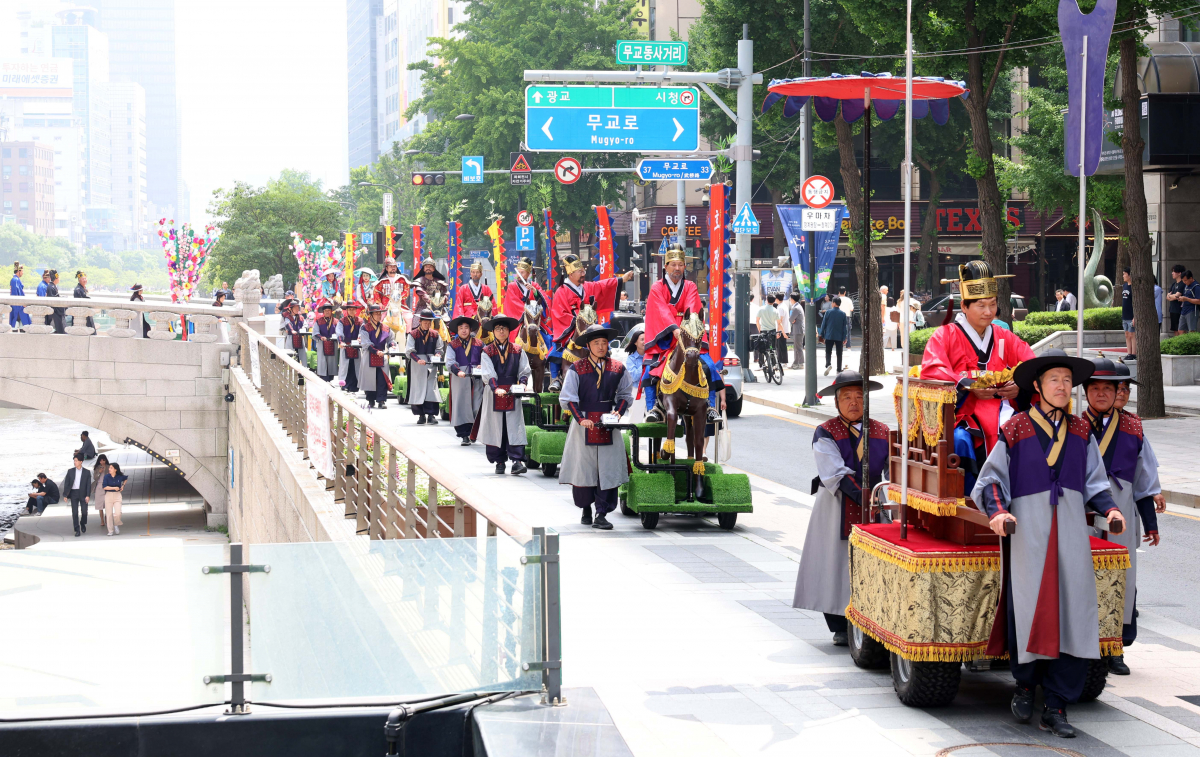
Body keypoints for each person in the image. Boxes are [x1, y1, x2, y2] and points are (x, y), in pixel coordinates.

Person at [972, 349, 1125, 738]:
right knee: (1029, 608)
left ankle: (1057, 704)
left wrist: (1109, 511)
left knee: (1074, 610)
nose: (1062, 386)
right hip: (1030, 531)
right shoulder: (1016, 429)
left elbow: (1095, 482)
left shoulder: (1080, 431)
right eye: (1054, 379)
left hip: (1071, 531)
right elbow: (990, 481)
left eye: (1066, 380)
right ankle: (1024, 686)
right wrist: (998, 512)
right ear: (1037, 387)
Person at [920, 261, 1036, 491]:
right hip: (963, 414)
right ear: (964, 306)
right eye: (981, 305)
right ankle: (970, 500)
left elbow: (1032, 363)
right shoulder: (945, 335)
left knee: (1030, 434)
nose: (988, 312)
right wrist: (966, 386)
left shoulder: (1004, 337)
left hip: (1004, 410)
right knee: (962, 441)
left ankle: (1021, 497)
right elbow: (932, 369)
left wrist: (1020, 386)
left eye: (992, 304)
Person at [793, 370, 888, 646]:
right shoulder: (825, 432)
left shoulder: (882, 431)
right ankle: (839, 624)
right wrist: (863, 497)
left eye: (859, 396)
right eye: (846, 397)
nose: (854, 402)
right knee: (833, 562)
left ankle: (871, 618)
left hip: (873, 505)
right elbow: (834, 472)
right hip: (835, 505)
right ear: (836, 402)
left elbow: (894, 471)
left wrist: (884, 498)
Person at [1082, 358, 1163, 676]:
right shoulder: (1073, 427)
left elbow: (1144, 482)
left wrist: (1151, 523)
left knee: (1122, 582)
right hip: (1083, 517)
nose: (1102, 393)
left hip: (1123, 517)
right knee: (1083, 579)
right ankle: (1084, 644)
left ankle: (1115, 648)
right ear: (1086, 392)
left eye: (1108, 388)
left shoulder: (1133, 427)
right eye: (1095, 387)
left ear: (1118, 391)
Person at [559, 324, 634, 530]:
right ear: (588, 346)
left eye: (604, 343)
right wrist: (580, 419)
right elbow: (568, 398)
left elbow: (625, 395)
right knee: (584, 468)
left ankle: (602, 513)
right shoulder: (577, 368)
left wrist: (617, 412)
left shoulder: (618, 368)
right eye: (596, 343)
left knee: (607, 469)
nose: (601, 347)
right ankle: (586, 508)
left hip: (608, 424)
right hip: (583, 424)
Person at [548, 254, 633, 390]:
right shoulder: (561, 292)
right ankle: (556, 379)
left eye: (583, 271)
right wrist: (578, 322)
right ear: (570, 273)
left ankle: (610, 375)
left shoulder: (587, 287)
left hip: (590, 326)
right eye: (580, 271)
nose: (583, 273)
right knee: (556, 349)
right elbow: (559, 313)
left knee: (604, 348)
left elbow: (603, 286)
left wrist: (622, 279)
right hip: (571, 329)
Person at [642, 244, 702, 421]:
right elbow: (661, 310)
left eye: (680, 264)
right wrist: (674, 329)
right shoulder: (657, 287)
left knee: (709, 367)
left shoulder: (690, 286)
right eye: (673, 264)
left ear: (685, 266)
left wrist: (686, 329)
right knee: (649, 372)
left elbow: (691, 308)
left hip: (686, 337)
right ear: (665, 266)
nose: (677, 268)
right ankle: (653, 408)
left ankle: (709, 407)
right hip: (665, 339)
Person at [476, 316, 531, 475]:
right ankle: (499, 461)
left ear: (509, 331)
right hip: (494, 393)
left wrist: (523, 384)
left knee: (515, 426)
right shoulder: (487, 351)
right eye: (498, 328)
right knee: (496, 426)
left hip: (513, 392)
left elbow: (524, 370)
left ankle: (517, 461)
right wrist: (496, 388)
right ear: (493, 331)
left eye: (504, 328)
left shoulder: (518, 349)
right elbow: (488, 373)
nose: (501, 331)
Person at [446, 315, 484, 444]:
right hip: (460, 378)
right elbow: (450, 362)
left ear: (471, 329)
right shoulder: (452, 345)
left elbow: (486, 358)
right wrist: (458, 371)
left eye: (466, 328)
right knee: (461, 405)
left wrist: (482, 365)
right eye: (461, 328)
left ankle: (475, 432)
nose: (463, 330)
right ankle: (464, 435)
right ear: (457, 330)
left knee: (477, 405)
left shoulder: (479, 343)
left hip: (476, 378)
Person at [406, 308, 443, 423]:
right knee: (418, 388)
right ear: (420, 321)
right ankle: (420, 415)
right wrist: (417, 360)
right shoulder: (413, 334)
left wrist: (437, 354)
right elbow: (409, 351)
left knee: (431, 389)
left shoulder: (435, 334)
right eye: (425, 322)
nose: (427, 324)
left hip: (431, 364)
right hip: (418, 365)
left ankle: (431, 415)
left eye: (429, 322)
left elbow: (440, 348)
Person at [360, 304, 393, 409]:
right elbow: (365, 343)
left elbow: (391, 339)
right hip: (369, 355)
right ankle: (371, 400)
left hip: (382, 355)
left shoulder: (386, 328)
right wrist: (375, 351)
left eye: (380, 313)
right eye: (376, 314)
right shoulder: (365, 328)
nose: (379, 315)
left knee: (382, 378)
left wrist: (392, 345)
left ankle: (381, 400)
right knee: (370, 379)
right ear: (371, 315)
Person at [337, 301, 365, 392]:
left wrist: (360, 339)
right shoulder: (342, 321)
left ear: (356, 310)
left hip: (356, 347)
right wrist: (341, 342)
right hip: (346, 346)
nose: (352, 311)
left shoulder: (360, 321)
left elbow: (362, 332)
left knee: (355, 366)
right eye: (350, 309)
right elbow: (339, 332)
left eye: (353, 309)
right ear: (347, 310)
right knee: (346, 366)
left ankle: (355, 386)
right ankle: (344, 385)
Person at [62, 453, 92, 537]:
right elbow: (67, 483)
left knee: (84, 512)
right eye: (74, 460)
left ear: (81, 461)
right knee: (74, 512)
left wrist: (88, 495)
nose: (74, 462)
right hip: (73, 493)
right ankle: (77, 529)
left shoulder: (87, 472)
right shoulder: (70, 471)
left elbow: (88, 485)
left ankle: (83, 523)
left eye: (76, 460)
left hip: (83, 493)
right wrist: (65, 495)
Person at [818, 297, 849, 375]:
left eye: (832, 302)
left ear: (834, 303)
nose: (831, 304)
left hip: (829, 335)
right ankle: (838, 369)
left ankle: (828, 364)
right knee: (839, 353)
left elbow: (824, 324)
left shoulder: (828, 312)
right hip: (839, 336)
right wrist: (845, 337)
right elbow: (844, 327)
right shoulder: (843, 314)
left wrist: (821, 334)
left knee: (828, 351)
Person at [313, 303, 340, 382]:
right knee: (322, 361)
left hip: (333, 343)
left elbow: (339, 331)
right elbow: (315, 332)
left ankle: (330, 378)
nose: (327, 312)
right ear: (323, 312)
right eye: (325, 311)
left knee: (332, 361)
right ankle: (323, 378)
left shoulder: (336, 321)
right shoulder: (319, 321)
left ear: (331, 311)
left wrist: (336, 337)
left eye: (329, 310)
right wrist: (321, 337)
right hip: (322, 343)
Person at [279, 298, 308, 368]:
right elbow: (286, 324)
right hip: (290, 337)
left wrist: (303, 329)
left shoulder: (301, 317)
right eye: (295, 307)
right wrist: (289, 330)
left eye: (298, 307)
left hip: (299, 338)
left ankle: (303, 370)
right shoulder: (286, 316)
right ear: (290, 309)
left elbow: (305, 325)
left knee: (302, 355)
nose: (297, 309)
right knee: (290, 354)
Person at [102, 462, 128, 536]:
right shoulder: (107, 477)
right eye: (109, 468)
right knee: (109, 514)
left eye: (111, 468)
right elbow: (104, 487)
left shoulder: (119, 476)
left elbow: (126, 478)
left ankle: (116, 524)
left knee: (118, 513)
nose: (109, 469)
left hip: (117, 495)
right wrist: (114, 488)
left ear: (115, 469)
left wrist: (123, 485)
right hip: (108, 495)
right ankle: (110, 530)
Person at [9, 262, 30, 328]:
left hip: (18, 305)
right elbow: (16, 293)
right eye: (22, 271)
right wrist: (22, 303)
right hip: (18, 307)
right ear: (18, 271)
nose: (22, 273)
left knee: (21, 325)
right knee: (18, 323)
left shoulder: (15, 279)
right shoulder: (15, 280)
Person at [91, 453, 110, 531]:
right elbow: (95, 478)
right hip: (99, 486)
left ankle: (106, 519)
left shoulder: (109, 467)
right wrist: (99, 472)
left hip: (107, 487)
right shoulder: (96, 468)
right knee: (100, 505)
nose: (102, 462)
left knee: (107, 504)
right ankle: (102, 520)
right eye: (101, 460)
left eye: (103, 460)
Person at [1121, 268, 1136, 357]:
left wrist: (1135, 317)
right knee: (1127, 334)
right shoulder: (1125, 286)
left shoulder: (1134, 287)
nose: (1123, 276)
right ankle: (1129, 353)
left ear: (1129, 275)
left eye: (1124, 274)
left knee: (1132, 334)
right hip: (1125, 315)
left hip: (1131, 315)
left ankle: (1134, 353)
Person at [44, 269, 65, 334]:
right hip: (55, 312)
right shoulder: (51, 287)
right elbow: (53, 300)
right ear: (56, 278)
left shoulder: (52, 286)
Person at [1167, 264, 1186, 334]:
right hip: (1173, 310)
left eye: (1174, 271)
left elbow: (1177, 296)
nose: (1172, 273)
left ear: (1179, 273)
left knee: (1181, 330)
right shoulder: (1173, 284)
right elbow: (1167, 297)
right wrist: (1172, 296)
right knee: (1175, 330)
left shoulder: (1182, 284)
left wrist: (1171, 296)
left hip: (1179, 310)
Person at [788, 292, 804, 369]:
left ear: (792, 299)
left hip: (798, 330)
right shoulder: (797, 306)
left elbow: (791, 319)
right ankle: (796, 363)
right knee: (797, 347)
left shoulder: (795, 308)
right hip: (798, 329)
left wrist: (792, 320)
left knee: (798, 347)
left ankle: (800, 363)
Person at [775, 293, 791, 366]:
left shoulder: (780, 307)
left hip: (782, 329)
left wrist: (778, 331)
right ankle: (783, 361)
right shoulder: (783, 305)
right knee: (782, 346)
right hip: (785, 328)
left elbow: (780, 321)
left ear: (777, 299)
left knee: (781, 346)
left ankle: (783, 361)